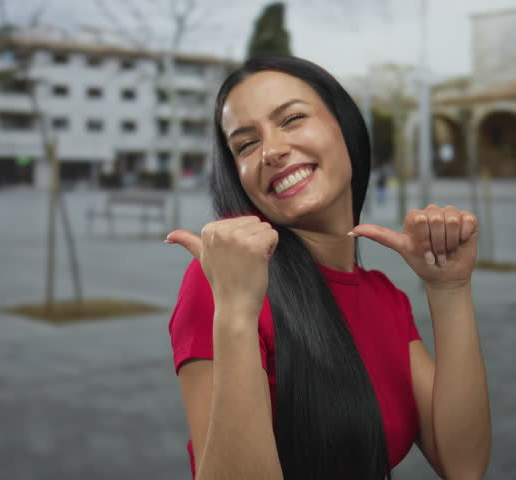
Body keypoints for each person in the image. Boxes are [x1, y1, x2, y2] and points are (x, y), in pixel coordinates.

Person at [165, 55, 490, 480]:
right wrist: (237, 315)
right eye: (246, 144)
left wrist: (449, 288)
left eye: (292, 118)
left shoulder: (384, 297)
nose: (272, 151)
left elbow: (463, 465)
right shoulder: (224, 282)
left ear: (345, 126)